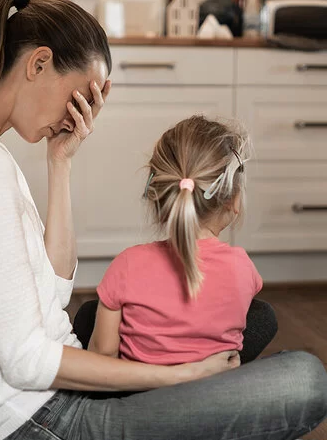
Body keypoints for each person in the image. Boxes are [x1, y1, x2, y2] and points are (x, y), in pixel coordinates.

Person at [0, 0, 326, 440]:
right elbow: (25, 360)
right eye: (81, 93)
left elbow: (53, 295)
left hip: (50, 407)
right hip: (41, 434)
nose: (81, 112)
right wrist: (179, 376)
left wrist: (61, 164)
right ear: (38, 64)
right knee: (305, 378)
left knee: (253, 320)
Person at [88, 116, 265, 365]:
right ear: (233, 200)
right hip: (218, 395)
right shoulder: (243, 267)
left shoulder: (127, 264)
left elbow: (104, 353)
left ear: (157, 196)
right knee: (263, 315)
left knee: (89, 315)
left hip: (139, 397)